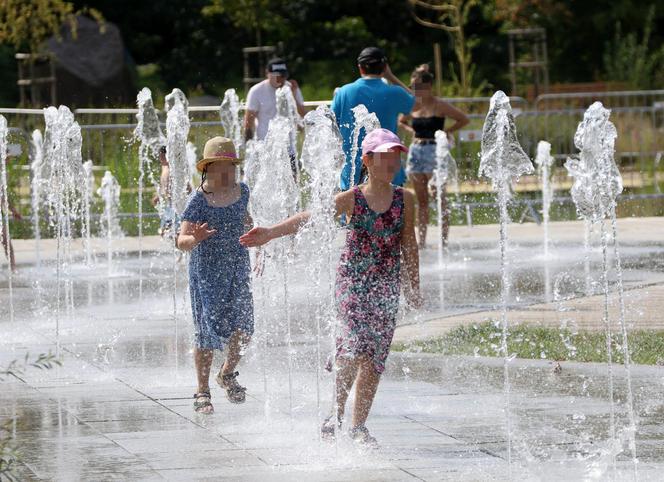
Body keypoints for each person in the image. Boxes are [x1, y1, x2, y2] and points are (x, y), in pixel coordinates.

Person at [240, 129, 422, 446]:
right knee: (352, 348)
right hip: (352, 284)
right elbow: (309, 217)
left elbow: (410, 244)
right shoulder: (352, 198)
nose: (392, 161)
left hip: (386, 287)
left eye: (395, 155)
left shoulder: (405, 199)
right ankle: (335, 413)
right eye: (385, 155)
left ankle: (358, 425)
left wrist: (414, 287)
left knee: (374, 356)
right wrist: (270, 232)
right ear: (367, 160)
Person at [176, 136, 255, 414]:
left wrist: (254, 233)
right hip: (207, 271)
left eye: (231, 166)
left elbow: (245, 219)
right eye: (221, 167)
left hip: (237, 267)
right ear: (207, 168)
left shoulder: (242, 191)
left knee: (245, 328)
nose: (227, 173)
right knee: (207, 332)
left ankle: (227, 373)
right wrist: (193, 238)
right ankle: (202, 390)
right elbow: (181, 240)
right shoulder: (199, 200)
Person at [398, 64, 469, 248]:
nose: (413, 89)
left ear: (428, 86)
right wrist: (411, 130)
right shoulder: (413, 105)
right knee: (421, 200)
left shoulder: (439, 105)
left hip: (433, 151)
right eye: (412, 86)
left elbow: (463, 119)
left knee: (439, 197)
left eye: (417, 86)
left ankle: (443, 242)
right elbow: (401, 121)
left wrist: (447, 132)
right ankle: (421, 242)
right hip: (416, 151)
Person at [331, 47, 415, 190]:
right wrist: (391, 77)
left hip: (352, 172)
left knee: (352, 211)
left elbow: (332, 125)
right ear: (384, 67)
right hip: (389, 170)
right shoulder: (394, 92)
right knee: (391, 211)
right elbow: (418, 103)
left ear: (360, 68)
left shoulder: (343, 92)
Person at [243, 57, 306, 142]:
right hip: (264, 144)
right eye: (276, 75)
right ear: (267, 74)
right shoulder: (256, 91)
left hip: (288, 144)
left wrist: (293, 97)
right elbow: (248, 122)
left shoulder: (291, 88)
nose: (280, 79)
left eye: (283, 76)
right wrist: (247, 145)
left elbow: (303, 116)